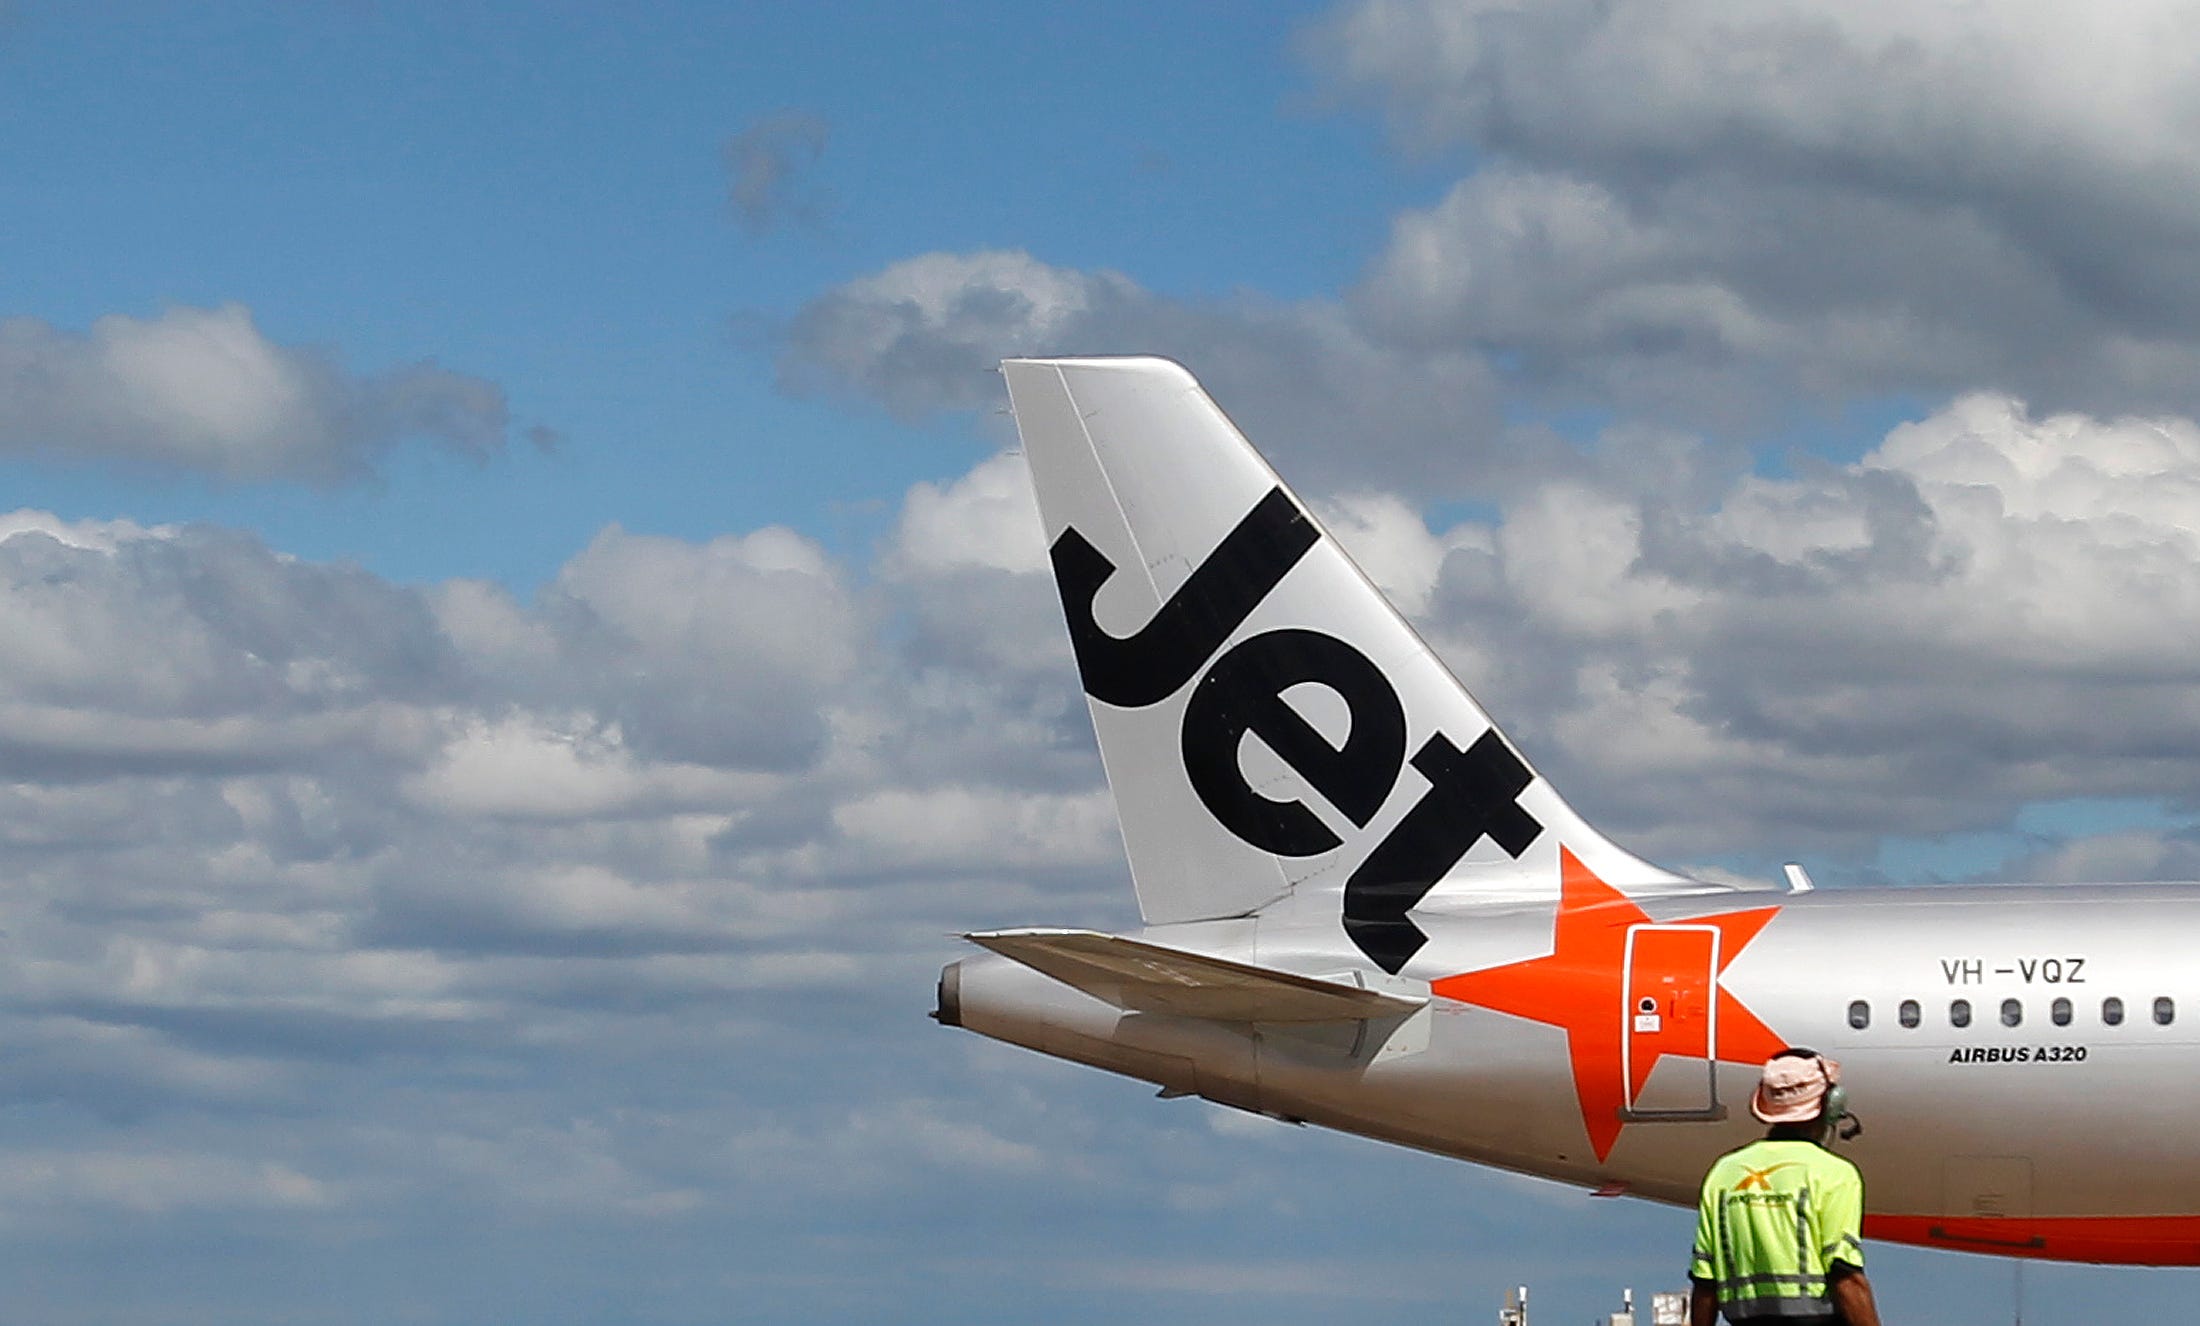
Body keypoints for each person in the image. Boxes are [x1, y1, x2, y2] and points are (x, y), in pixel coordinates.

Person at [1689, 1049, 1884, 1326]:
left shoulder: (1724, 1173)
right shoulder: (1834, 1174)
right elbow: (1845, 1276)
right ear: (1831, 1105)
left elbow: (1705, 1283)